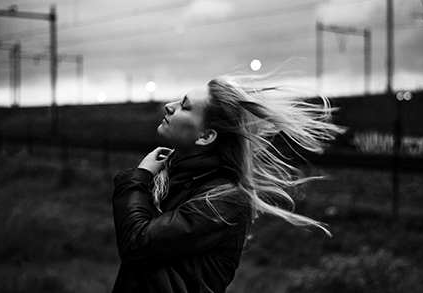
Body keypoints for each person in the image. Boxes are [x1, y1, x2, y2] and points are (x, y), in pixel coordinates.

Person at [112, 71, 341, 292]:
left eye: (184, 106)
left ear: (205, 136)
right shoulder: (173, 178)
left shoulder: (224, 200)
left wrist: (138, 179)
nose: (168, 106)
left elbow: (137, 242)